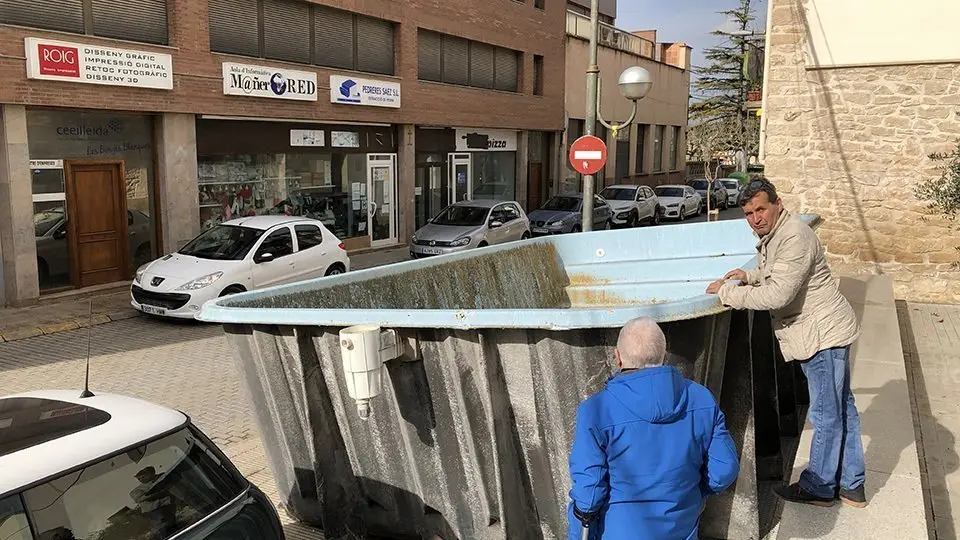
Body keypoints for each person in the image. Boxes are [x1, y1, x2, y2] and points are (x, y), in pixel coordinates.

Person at [705, 177, 866, 508]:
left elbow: (779, 294)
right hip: (823, 332)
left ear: (777, 204)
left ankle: (819, 486)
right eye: (749, 213)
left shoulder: (794, 236)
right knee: (841, 409)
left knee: (826, 414)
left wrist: (727, 293)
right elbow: (780, 274)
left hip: (821, 335)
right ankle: (852, 484)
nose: (756, 218)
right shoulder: (778, 234)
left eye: (761, 209)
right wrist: (750, 276)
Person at [567, 316, 740, 540]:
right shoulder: (700, 398)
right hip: (681, 527)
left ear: (618, 358)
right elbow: (724, 470)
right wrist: (693, 492)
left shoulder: (595, 410)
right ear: (664, 356)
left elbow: (588, 496)